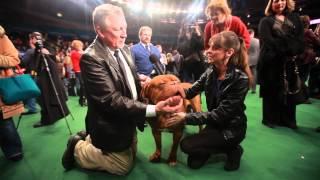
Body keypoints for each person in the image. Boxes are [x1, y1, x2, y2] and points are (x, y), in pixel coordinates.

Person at [61, 4, 183, 175]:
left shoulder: (125, 49)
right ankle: (78, 147)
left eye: (125, 27)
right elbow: (111, 101)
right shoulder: (91, 58)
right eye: (118, 29)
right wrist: (154, 109)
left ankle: (89, 139)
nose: (125, 33)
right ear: (100, 30)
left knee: (131, 153)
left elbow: (126, 78)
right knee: (123, 167)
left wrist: (139, 81)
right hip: (110, 123)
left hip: (127, 119)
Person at [165, 31, 249, 171]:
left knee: (186, 145)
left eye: (215, 48)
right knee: (193, 163)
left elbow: (221, 114)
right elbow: (190, 92)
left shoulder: (241, 79)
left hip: (232, 129)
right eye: (209, 47)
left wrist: (185, 117)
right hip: (214, 124)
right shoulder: (210, 71)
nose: (208, 51)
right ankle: (214, 147)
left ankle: (234, 149)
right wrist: (174, 88)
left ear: (229, 52)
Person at [257, 0, 304, 129]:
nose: (279, 3)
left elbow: (300, 39)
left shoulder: (295, 18)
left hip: (289, 62)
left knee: (290, 91)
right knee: (271, 91)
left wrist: (291, 49)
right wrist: (288, 46)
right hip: (271, 62)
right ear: (271, 4)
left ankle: (288, 120)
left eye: (282, 0)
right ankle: (269, 119)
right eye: (275, 1)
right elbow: (268, 41)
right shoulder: (265, 21)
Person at [204, 0, 253, 86]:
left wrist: (233, 54)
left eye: (216, 14)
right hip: (217, 64)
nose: (213, 17)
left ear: (224, 12)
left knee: (236, 88)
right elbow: (206, 45)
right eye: (211, 14)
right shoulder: (208, 26)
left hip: (236, 61)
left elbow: (246, 40)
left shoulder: (235, 21)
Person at [27, 32, 70, 128]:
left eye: (32, 39)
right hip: (48, 77)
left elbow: (52, 58)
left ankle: (47, 119)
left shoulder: (45, 47)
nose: (31, 41)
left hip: (47, 78)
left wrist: (43, 52)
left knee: (45, 98)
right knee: (45, 98)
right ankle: (48, 118)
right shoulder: (41, 48)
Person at [0, 25, 23, 161]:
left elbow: (15, 59)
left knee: (3, 120)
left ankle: (13, 150)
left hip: (2, 87)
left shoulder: (2, 37)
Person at [70, 40, 87, 106]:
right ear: (77, 46)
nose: (82, 47)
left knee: (84, 85)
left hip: (82, 70)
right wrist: (83, 52)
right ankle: (82, 100)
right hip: (78, 70)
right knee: (83, 85)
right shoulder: (74, 52)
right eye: (80, 45)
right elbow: (83, 58)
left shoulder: (78, 52)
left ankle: (83, 99)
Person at [248, 29, 260, 94]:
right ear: (253, 33)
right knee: (254, 73)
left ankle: (248, 87)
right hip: (256, 59)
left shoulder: (245, 40)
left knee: (247, 74)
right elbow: (259, 50)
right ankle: (254, 89)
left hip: (247, 59)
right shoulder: (257, 41)